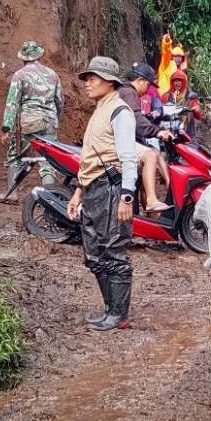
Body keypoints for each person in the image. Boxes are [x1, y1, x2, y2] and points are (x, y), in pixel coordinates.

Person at [69, 57, 139, 331]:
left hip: (112, 189)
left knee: (114, 250)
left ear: (110, 82)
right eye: (87, 78)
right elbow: (89, 159)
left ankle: (119, 314)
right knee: (94, 253)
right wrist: (78, 193)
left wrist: (126, 197)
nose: (88, 83)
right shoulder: (100, 109)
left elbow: (128, 158)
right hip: (93, 189)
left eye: (93, 78)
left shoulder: (119, 112)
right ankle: (110, 308)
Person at [1, 40, 65, 201]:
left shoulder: (20, 75)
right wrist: (57, 119)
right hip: (49, 121)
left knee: (15, 155)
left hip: (29, 122)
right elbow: (60, 100)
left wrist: (6, 128)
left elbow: (12, 103)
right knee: (47, 159)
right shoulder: (52, 74)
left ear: (23, 58)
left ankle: (12, 193)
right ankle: (50, 196)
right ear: (39, 56)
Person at [119, 64, 172, 214]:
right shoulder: (129, 92)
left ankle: (153, 224)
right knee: (151, 155)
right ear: (141, 81)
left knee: (151, 158)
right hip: (117, 141)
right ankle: (152, 200)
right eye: (148, 85)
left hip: (127, 139)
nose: (148, 90)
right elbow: (135, 119)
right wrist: (157, 132)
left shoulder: (122, 90)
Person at [161, 69, 203, 138]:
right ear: (171, 82)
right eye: (175, 80)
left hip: (187, 132)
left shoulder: (189, 95)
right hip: (170, 132)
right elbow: (160, 112)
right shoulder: (166, 96)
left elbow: (199, 116)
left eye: (179, 80)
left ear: (184, 82)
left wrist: (197, 110)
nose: (177, 83)